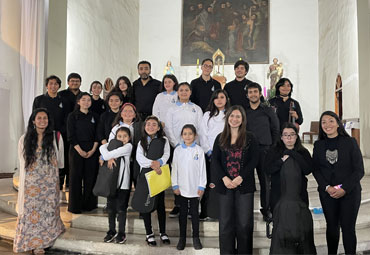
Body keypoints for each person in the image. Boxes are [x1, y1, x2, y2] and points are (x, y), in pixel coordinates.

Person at [14, 108, 65, 254]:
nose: (43, 121)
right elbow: (22, 163)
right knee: (32, 213)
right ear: (33, 121)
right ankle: (35, 243)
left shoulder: (56, 137)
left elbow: (60, 162)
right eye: (39, 118)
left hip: (49, 184)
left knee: (48, 211)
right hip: (32, 185)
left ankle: (47, 238)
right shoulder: (24, 139)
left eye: (45, 118)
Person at [313, 111, 364, 255]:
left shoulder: (350, 142)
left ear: (337, 123)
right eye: (323, 122)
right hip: (328, 193)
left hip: (350, 192)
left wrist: (344, 188)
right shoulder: (318, 145)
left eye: (331, 121)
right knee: (332, 227)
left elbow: (359, 170)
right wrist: (327, 187)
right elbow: (316, 169)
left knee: (348, 228)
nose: (327, 125)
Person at [211, 105, 259, 254]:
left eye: (238, 116)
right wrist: (224, 178)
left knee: (244, 224)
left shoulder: (250, 137)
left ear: (243, 119)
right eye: (232, 116)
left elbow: (254, 160)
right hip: (225, 186)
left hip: (244, 185)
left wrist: (241, 177)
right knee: (225, 224)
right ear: (227, 118)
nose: (234, 119)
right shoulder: (220, 137)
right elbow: (215, 161)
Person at [265, 123, 316, 254]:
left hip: (299, 201)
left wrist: (293, 154)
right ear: (281, 137)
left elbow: (308, 169)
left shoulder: (303, 152)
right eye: (286, 135)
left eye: (292, 135)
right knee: (282, 232)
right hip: (280, 200)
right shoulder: (274, 151)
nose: (289, 138)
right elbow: (268, 169)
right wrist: (282, 159)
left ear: (296, 136)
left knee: (300, 232)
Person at [164, 82, 203, 217]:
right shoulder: (172, 109)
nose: (184, 92)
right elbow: (168, 128)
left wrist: (195, 144)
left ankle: (193, 205)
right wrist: (177, 144)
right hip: (178, 147)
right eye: (181, 90)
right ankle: (178, 204)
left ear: (190, 92)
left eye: (187, 90)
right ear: (177, 92)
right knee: (178, 174)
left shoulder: (196, 109)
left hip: (193, 147)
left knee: (192, 174)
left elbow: (200, 127)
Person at [244, 82, 280, 220]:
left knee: (265, 181)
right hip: (247, 150)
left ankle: (266, 209)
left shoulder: (268, 110)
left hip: (265, 149)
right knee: (246, 181)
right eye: (250, 92)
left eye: (255, 92)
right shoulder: (244, 111)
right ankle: (246, 210)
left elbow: (275, 129)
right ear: (247, 95)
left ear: (260, 94)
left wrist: (273, 148)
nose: (253, 94)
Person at [136, 116, 171, 246]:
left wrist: (159, 163)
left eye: (154, 124)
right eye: (148, 124)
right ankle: (149, 233)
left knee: (160, 205)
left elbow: (166, 154)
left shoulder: (164, 140)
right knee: (146, 204)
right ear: (144, 126)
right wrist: (153, 164)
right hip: (146, 175)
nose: (151, 127)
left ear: (158, 127)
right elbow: (140, 158)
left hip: (159, 174)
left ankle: (163, 232)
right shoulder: (141, 142)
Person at [172, 124, 207, 250]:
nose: (187, 136)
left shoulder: (199, 150)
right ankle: (182, 239)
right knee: (182, 215)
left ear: (195, 135)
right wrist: (174, 184)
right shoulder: (177, 150)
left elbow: (203, 169)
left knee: (194, 215)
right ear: (182, 136)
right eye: (185, 134)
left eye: (190, 133)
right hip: (181, 188)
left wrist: (202, 186)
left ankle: (196, 238)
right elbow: (174, 168)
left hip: (195, 189)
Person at [199, 89, 230, 220]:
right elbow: (202, 133)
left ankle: (224, 211)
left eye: (222, 97)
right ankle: (205, 210)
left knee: (223, 182)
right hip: (210, 154)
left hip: (226, 154)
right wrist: (208, 150)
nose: (219, 100)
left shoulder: (230, 114)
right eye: (216, 98)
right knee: (208, 183)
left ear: (226, 99)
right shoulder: (207, 115)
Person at [32, 75, 68, 191]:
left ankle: (58, 184)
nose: (53, 86)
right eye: (51, 83)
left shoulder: (64, 101)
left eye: (56, 84)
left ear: (59, 86)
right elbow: (34, 117)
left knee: (58, 161)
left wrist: (60, 132)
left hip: (59, 135)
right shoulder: (39, 100)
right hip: (42, 135)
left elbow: (67, 119)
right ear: (46, 86)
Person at [67, 92, 99, 214]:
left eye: (89, 100)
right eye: (84, 100)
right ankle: (75, 207)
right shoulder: (72, 116)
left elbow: (97, 134)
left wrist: (93, 150)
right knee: (75, 178)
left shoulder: (95, 116)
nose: (86, 102)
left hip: (92, 150)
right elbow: (71, 135)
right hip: (76, 150)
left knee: (90, 178)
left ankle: (89, 205)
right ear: (78, 102)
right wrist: (80, 150)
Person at [99, 127, 133, 244]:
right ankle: (111, 231)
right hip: (111, 183)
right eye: (119, 136)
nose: (122, 139)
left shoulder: (128, 147)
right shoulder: (111, 147)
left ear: (129, 138)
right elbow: (102, 146)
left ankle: (121, 233)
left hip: (123, 185)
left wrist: (105, 156)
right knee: (111, 209)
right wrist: (106, 155)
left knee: (121, 209)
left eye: (125, 136)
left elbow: (109, 152)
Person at [59, 72, 83, 189]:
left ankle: (70, 182)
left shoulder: (84, 96)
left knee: (74, 158)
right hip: (63, 131)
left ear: (80, 83)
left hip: (78, 133)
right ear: (68, 82)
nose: (74, 83)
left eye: (77, 81)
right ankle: (59, 182)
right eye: (72, 81)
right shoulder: (61, 95)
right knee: (63, 156)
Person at [109, 103, 142, 184]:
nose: (127, 113)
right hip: (121, 158)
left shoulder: (140, 126)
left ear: (135, 115)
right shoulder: (116, 128)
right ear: (120, 114)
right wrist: (110, 157)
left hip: (136, 160)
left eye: (130, 111)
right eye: (125, 111)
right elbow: (110, 143)